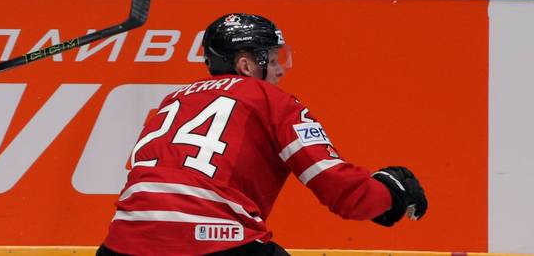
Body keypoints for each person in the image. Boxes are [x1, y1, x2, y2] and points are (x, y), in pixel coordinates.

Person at [98, 13, 428, 256]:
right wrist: (390, 193)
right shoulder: (270, 99)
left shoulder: (172, 100)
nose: (281, 69)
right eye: (272, 59)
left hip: (121, 245)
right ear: (246, 65)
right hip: (216, 243)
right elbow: (340, 190)